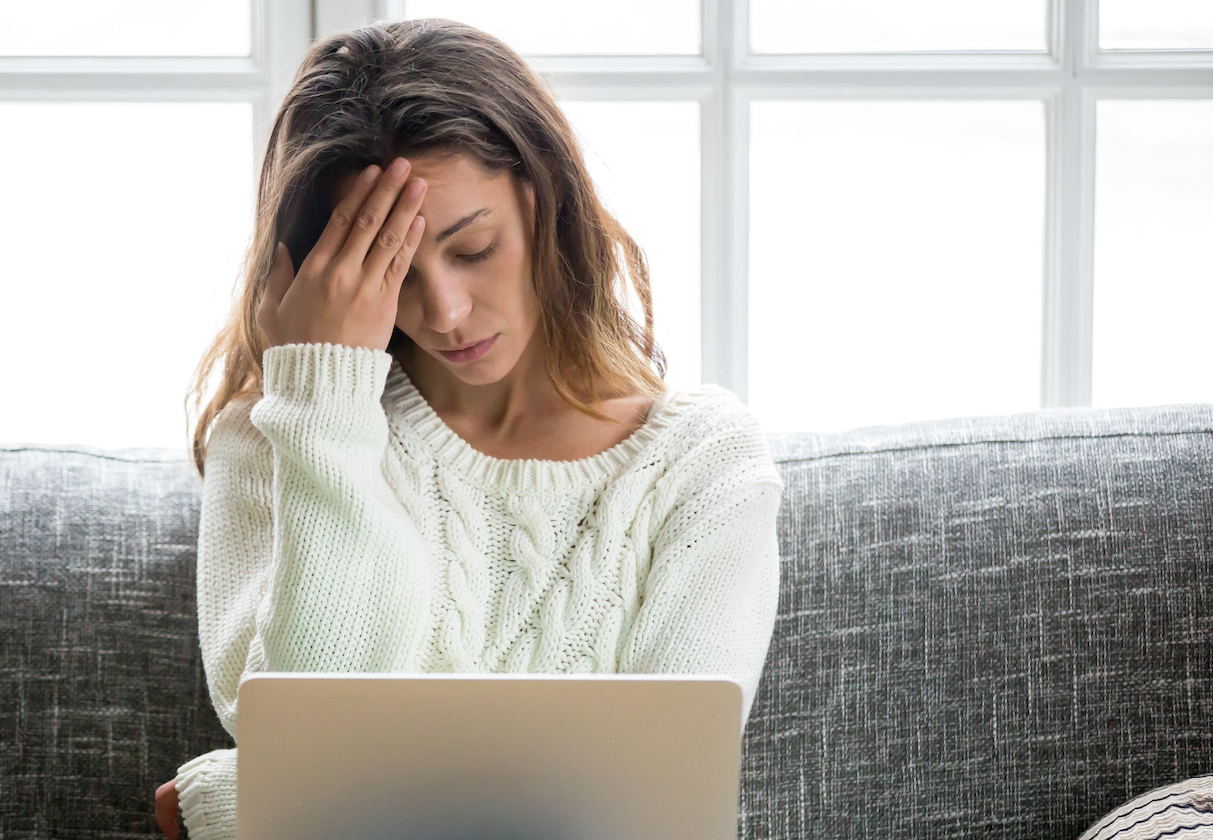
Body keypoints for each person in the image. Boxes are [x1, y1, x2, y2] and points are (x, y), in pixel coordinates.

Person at [154, 17, 783, 840]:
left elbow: (660, 808)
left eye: (473, 247)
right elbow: (301, 734)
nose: (444, 313)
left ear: (543, 198)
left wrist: (228, 803)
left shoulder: (704, 466)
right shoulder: (283, 428)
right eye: (393, 274)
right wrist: (324, 403)